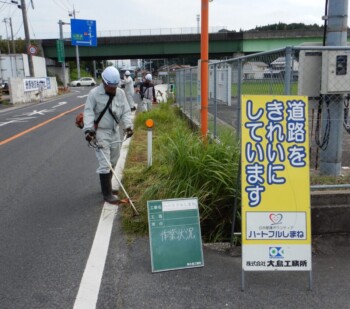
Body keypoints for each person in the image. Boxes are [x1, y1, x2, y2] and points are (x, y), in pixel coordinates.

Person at [83, 66, 133, 205]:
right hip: (100, 132)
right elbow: (88, 112)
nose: (113, 89)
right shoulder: (94, 94)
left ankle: (108, 187)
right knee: (105, 163)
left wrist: (128, 126)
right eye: (110, 86)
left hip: (114, 130)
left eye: (115, 86)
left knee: (114, 160)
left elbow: (126, 111)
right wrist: (88, 130)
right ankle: (107, 194)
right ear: (103, 82)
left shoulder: (120, 93)